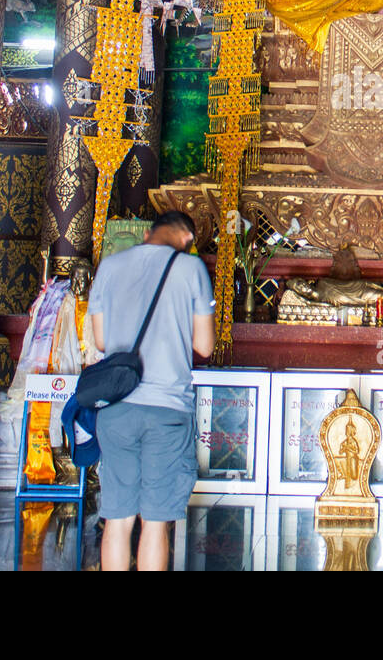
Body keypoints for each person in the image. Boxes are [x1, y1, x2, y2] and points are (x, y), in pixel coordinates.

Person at [88, 210, 215, 571]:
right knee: (155, 521)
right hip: (167, 408)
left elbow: (101, 341)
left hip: (116, 406)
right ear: (186, 238)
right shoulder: (190, 270)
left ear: (150, 232)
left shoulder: (110, 267)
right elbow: (204, 346)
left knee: (117, 518)